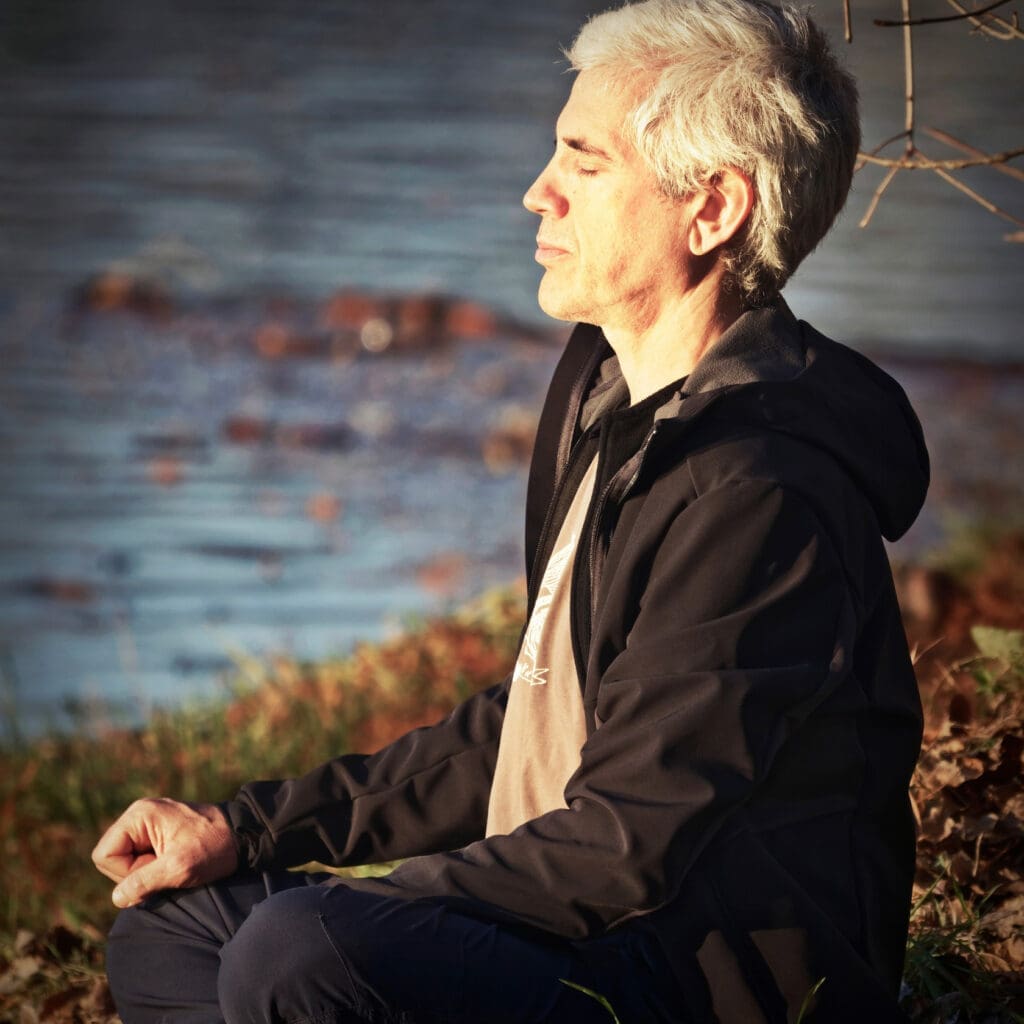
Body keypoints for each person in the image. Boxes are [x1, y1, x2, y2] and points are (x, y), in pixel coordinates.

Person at [92, 0, 929, 1021]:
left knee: (296, 952)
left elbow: (628, 841)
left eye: (583, 161)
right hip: (585, 927)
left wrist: (363, 911)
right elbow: (539, 717)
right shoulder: (612, 399)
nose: (537, 193)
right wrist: (247, 828)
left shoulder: (757, 489)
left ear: (711, 210)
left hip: (697, 981)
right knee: (173, 931)